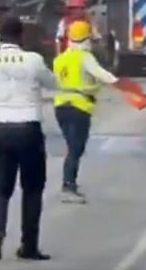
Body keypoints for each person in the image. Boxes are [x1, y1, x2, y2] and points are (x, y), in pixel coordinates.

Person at [0, 17, 55, 262]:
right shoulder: (33, 60)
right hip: (28, 127)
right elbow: (52, 83)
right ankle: (29, 245)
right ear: (21, 36)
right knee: (32, 188)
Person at [53, 20, 122, 203]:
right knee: (76, 148)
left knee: (72, 147)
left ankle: (69, 183)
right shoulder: (84, 57)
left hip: (60, 107)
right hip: (79, 107)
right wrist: (119, 83)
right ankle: (68, 186)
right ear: (86, 38)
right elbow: (99, 73)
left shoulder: (60, 59)